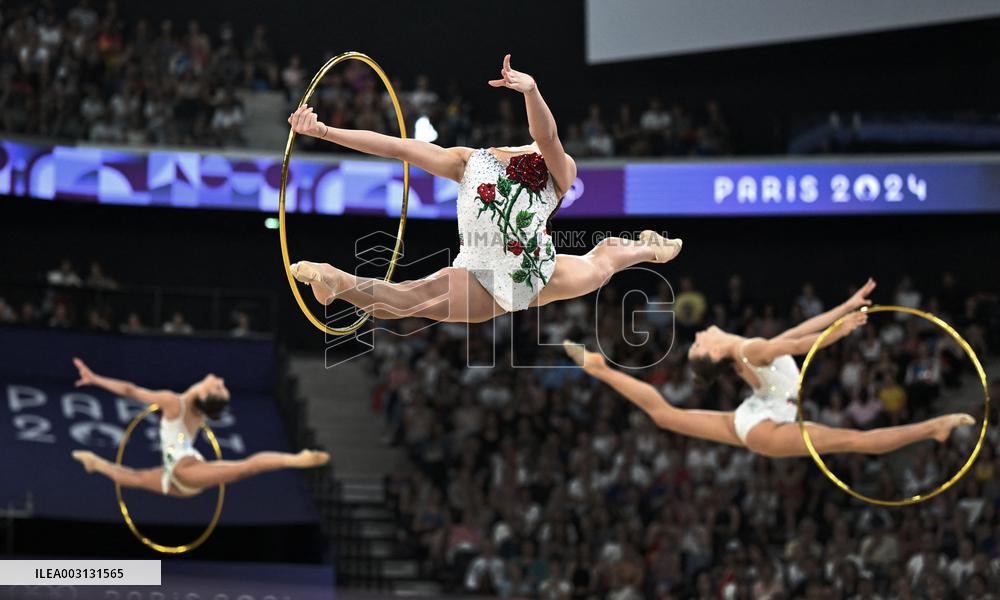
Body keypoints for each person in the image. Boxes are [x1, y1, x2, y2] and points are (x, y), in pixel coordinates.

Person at [286, 54, 681, 324]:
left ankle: (649, 247)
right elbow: (397, 146)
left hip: (538, 273)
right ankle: (338, 280)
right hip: (481, 277)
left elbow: (547, 135)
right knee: (408, 300)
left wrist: (531, 91)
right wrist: (322, 131)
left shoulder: (560, 171)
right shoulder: (467, 161)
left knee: (602, 264)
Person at [563, 279, 975, 458]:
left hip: (759, 416)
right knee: (853, 441)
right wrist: (841, 330)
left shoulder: (748, 350)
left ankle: (601, 369)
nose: (700, 334)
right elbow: (798, 343)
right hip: (766, 424)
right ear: (715, 354)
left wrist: (844, 309)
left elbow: (797, 332)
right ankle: (931, 429)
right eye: (699, 344)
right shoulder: (751, 350)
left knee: (666, 415)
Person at [70, 358, 328, 496]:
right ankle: (96, 463)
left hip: (185, 469)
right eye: (221, 385)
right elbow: (206, 411)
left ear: (205, 397)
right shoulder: (196, 412)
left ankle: (294, 460)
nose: (220, 380)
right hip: (176, 474)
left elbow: (129, 390)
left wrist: (95, 379)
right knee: (134, 479)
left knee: (243, 468)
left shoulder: (173, 404)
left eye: (218, 387)